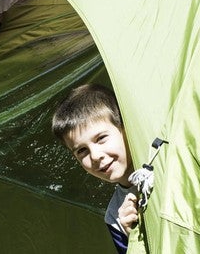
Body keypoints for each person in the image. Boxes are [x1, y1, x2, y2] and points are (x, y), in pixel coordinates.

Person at [52, 83, 138, 253]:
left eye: (101, 138)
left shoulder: (169, 167)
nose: (95, 155)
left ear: (124, 127)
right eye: (82, 150)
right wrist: (134, 236)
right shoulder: (115, 217)